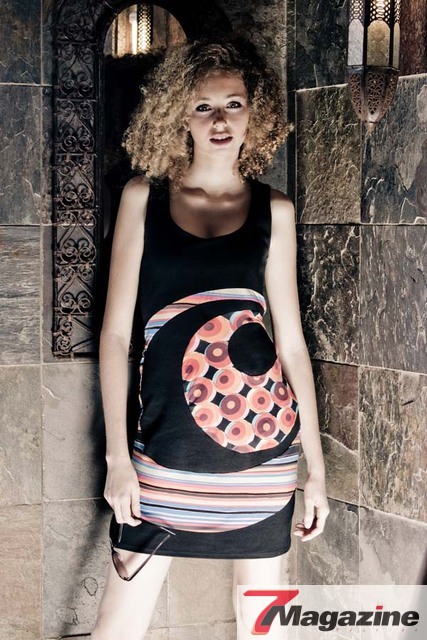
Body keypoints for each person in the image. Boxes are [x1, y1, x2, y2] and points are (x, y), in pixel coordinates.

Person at [91, 38, 329, 640]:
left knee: (263, 628)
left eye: (234, 104)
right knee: (116, 629)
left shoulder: (275, 210)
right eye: (203, 107)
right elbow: (115, 336)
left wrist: (316, 470)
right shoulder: (143, 198)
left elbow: (291, 345)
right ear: (179, 114)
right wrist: (118, 459)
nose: (221, 120)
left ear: (254, 112)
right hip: (161, 454)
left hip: (263, 459)